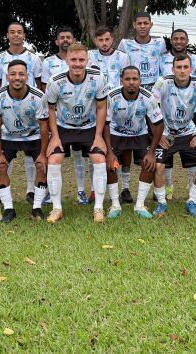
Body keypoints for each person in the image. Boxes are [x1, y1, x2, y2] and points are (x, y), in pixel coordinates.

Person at [45, 43, 110, 223]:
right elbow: (50, 109)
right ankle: (56, 208)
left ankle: (98, 208)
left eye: (81, 60)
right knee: (53, 160)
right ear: (67, 60)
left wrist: (98, 136)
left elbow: (102, 107)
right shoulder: (55, 81)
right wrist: (55, 136)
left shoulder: (98, 78)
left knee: (99, 159)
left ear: (87, 61)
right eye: (73, 60)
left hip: (89, 127)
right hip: (64, 127)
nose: (77, 64)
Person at [0, 60, 50, 221]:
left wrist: (43, 154)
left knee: (42, 166)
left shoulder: (38, 97)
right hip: (8, 136)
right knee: (0, 166)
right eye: (13, 74)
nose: (17, 77)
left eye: (21, 74)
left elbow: (44, 127)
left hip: (33, 136)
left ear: (27, 76)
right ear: (7, 76)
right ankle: (9, 209)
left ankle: (37, 208)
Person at [153, 54, 196, 218]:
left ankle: (192, 201)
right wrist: (158, 135)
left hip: (188, 132)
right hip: (166, 133)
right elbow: (151, 108)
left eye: (186, 67)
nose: (182, 70)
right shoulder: (163, 82)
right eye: (178, 67)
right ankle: (161, 202)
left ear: (191, 69)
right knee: (157, 166)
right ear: (173, 69)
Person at [103, 66, 165, 219]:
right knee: (110, 165)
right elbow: (105, 123)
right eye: (127, 79)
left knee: (149, 164)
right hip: (116, 134)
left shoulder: (148, 97)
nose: (131, 82)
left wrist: (152, 152)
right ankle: (115, 205)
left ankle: (140, 205)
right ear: (121, 81)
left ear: (140, 81)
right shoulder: (111, 96)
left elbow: (159, 124)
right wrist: (109, 152)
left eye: (135, 79)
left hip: (139, 134)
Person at [89, 26, 133, 201]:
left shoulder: (123, 57)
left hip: (118, 107)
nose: (104, 43)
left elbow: (127, 80)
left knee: (124, 147)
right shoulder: (90, 56)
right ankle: (94, 188)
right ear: (95, 41)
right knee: (96, 147)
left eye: (107, 39)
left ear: (113, 40)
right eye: (100, 40)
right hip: (97, 107)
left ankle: (125, 188)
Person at [159, 28, 196, 200]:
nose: (182, 70)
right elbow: (153, 104)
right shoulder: (162, 66)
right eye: (175, 38)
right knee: (166, 158)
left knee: (192, 157)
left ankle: (192, 188)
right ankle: (168, 186)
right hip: (167, 120)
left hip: (188, 119)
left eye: (182, 38)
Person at [117, 12, 167, 90]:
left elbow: (164, 64)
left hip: (154, 88)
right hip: (133, 87)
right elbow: (119, 65)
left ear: (151, 25)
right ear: (134, 25)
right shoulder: (125, 44)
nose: (142, 26)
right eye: (139, 23)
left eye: (146, 23)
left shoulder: (160, 43)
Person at [0, 21, 43, 89]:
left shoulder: (34, 58)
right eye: (12, 32)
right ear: (7, 35)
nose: (16, 35)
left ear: (24, 35)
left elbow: (39, 84)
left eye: (19, 32)